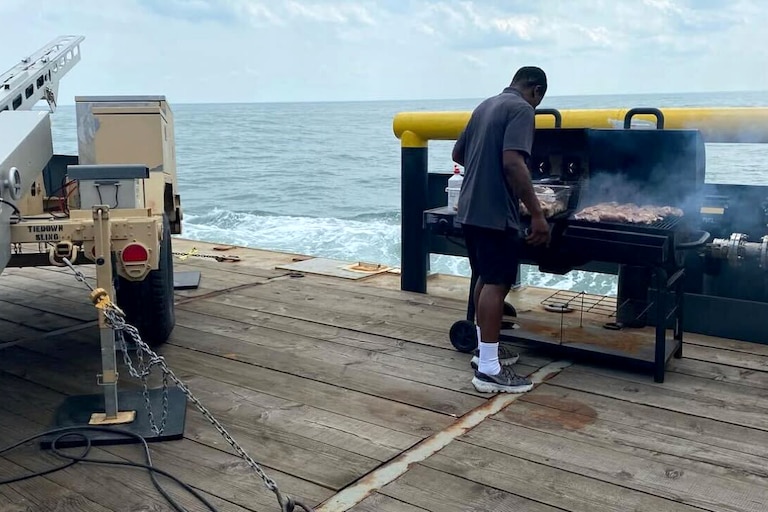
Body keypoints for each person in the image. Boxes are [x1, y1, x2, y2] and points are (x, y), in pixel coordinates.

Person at [452, 66, 550, 394]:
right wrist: (537, 214)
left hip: (469, 208)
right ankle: (490, 372)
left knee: (484, 277)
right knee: (498, 282)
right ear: (535, 90)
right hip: (495, 213)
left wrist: (484, 173)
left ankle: (486, 352)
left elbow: (458, 153)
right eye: (538, 101)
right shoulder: (521, 109)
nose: (534, 107)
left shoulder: (486, 105)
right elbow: (512, 162)